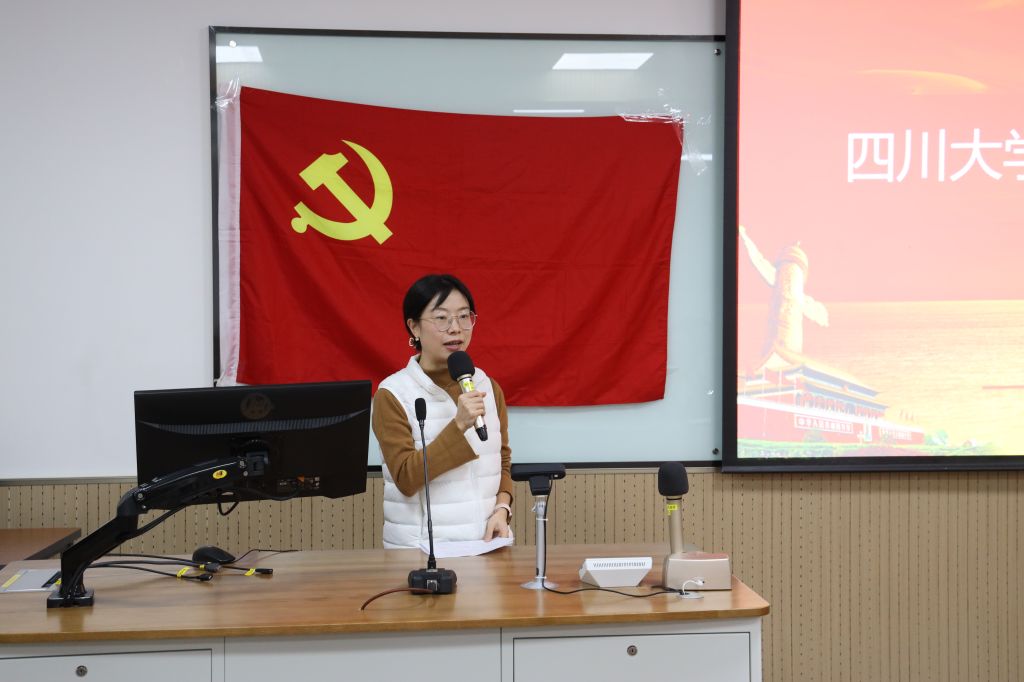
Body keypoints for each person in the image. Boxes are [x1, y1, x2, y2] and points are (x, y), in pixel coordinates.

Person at [373, 274, 513, 549]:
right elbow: (405, 478)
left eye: (463, 316)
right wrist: (458, 425)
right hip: (420, 551)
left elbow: (503, 461)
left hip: (487, 545)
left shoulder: (486, 385)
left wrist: (502, 509)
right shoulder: (393, 394)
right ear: (414, 327)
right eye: (441, 318)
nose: (456, 328)